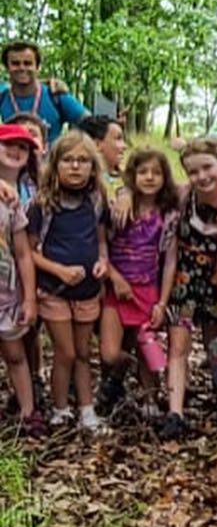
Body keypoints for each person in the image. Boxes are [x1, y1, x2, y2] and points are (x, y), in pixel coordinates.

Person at [28, 131, 110, 433]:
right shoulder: (43, 204)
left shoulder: (97, 201)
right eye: (68, 160)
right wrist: (58, 270)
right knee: (65, 352)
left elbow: (102, 243)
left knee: (83, 351)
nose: (75, 167)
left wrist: (103, 263)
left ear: (92, 166)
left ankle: (87, 410)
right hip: (54, 290)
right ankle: (60, 408)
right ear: (56, 164)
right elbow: (30, 251)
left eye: (83, 160)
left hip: (87, 290)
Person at [97, 147, 178, 425]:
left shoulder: (167, 215)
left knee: (147, 347)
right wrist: (114, 277)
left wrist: (162, 302)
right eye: (143, 172)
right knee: (109, 352)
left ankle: (150, 399)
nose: (149, 177)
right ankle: (123, 369)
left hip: (148, 290)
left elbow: (169, 262)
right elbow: (101, 245)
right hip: (116, 287)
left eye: (156, 172)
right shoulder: (119, 206)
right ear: (133, 175)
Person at [165, 139, 217, 436]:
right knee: (178, 346)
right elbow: (172, 253)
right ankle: (175, 412)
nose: (202, 176)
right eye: (193, 171)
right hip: (185, 283)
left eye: (207, 167)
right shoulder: (182, 200)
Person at [0, 124, 40, 436]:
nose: (15, 151)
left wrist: (29, 298)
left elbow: (24, 254)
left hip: (7, 294)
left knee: (15, 354)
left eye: (23, 148)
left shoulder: (15, 204)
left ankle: (28, 414)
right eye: (8, 145)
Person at [0, 41, 89, 143]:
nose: (22, 68)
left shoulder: (55, 96)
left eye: (27, 63)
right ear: (7, 67)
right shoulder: (2, 96)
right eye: (15, 63)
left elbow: (92, 124)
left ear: (37, 67)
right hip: (11, 158)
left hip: (48, 158)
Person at [79, 114, 127, 199]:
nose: (124, 146)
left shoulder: (129, 181)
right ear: (96, 145)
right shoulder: (81, 183)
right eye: (118, 138)